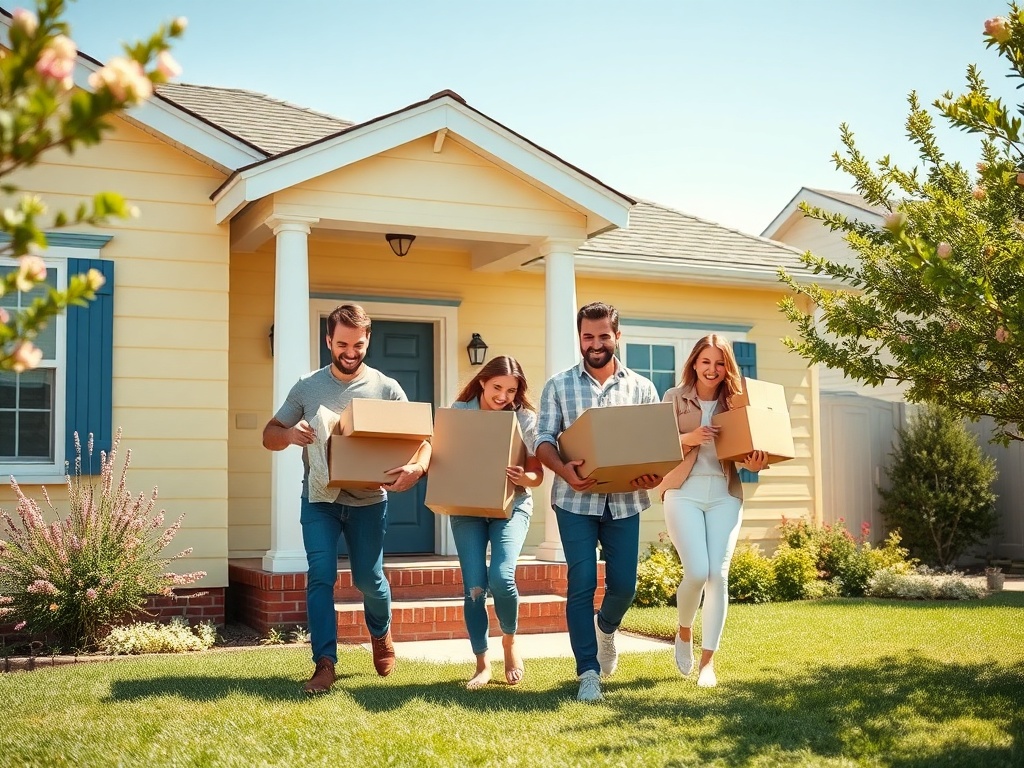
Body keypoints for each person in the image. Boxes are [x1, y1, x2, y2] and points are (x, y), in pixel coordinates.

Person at [262, 304, 431, 695]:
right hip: (319, 499)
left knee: (368, 578)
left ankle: (380, 632)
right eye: (341, 344)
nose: (350, 351)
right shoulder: (307, 386)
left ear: (367, 340)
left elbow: (422, 440)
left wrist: (416, 470)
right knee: (320, 576)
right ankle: (325, 662)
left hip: (369, 500)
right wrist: (289, 435)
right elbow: (270, 434)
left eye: (357, 343)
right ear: (328, 341)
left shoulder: (387, 388)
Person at [534, 301, 662, 703]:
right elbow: (542, 440)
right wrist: (563, 469)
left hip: (625, 501)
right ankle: (587, 672)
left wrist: (653, 474)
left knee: (624, 585)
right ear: (580, 338)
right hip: (574, 501)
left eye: (603, 335)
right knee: (582, 582)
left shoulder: (641, 387)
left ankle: (606, 628)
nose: (595, 343)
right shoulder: (558, 385)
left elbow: (654, 444)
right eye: (588, 336)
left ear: (617, 336)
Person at [658, 334, 768, 688]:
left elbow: (750, 450)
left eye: (720, 363)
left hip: (724, 494)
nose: (712, 369)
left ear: (727, 368)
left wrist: (757, 460)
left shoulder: (737, 404)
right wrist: (689, 438)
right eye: (706, 362)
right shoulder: (673, 398)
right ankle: (684, 629)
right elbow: (656, 448)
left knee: (718, 575)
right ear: (694, 363)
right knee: (696, 572)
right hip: (683, 492)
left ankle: (708, 664)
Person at [447, 356, 544, 689]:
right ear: (483, 382)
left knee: (502, 577)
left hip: (512, 506)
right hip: (467, 508)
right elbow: (444, 456)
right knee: (474, 587)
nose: (503, 396)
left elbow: (537, 475)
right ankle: (481, 663)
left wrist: (524, 476)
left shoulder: (524, 418)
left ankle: (509, 640)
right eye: (497, 387)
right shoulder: (460, 413)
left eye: (511, 390)